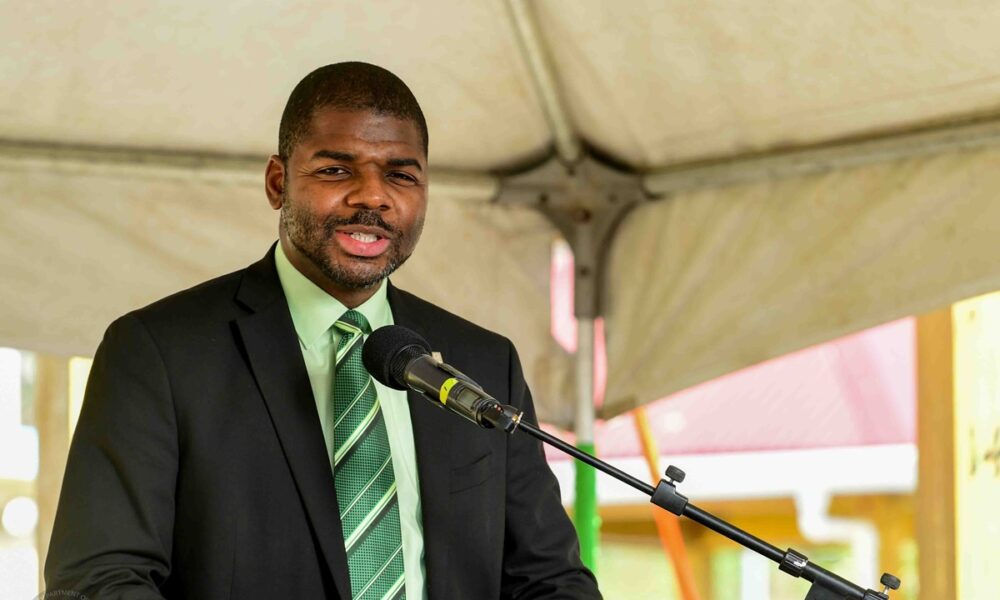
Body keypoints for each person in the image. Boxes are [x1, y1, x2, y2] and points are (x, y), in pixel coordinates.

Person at [44, 62, 601, 600]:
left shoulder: (483, 362)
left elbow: (549, 580)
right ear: (277, 182)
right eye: (336, 170)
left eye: (401, 175)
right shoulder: (158, 352)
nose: (372, 196)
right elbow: (96, 580)